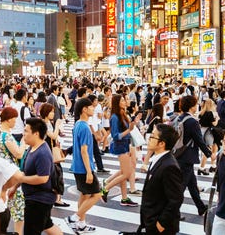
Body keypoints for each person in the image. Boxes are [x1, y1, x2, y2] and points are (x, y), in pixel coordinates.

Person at [119, 123, 184, 235]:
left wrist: (161, 224)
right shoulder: (158, 159)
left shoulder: (170, 166)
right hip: (150, 221)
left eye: (153, 136)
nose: (149, 138)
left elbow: (176, 199)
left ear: (162, 143)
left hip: (160, 226)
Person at [15, 117, 61, 235]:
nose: (23, 133)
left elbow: (43, 178)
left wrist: (21, 179)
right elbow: (27, 171)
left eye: (26, 131)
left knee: (31, 231)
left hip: (39, 200)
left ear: (36, 133)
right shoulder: (32, 147)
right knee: (47, 225)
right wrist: (15, 187)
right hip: (35, 198)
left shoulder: (43, 153)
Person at [175, 95, 212, 217]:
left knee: (192, 183)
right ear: (192, 107)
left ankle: (201, 207)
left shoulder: (179, 118)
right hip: (187, 156)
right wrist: (208, 153)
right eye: (195, 104)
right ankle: (173, 212)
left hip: (179, 153)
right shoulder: (192, 121)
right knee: (181, 186)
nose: (197, 107)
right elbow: (199, 139)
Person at [101, 93, 142, 206]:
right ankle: (106, 188)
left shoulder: (122, 113)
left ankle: (124, 198)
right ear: (117, 103)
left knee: (124, 172)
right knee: (127, 173)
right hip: (120, 146)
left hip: (125, 144)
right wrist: (129, 130)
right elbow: (115, 136)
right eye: (123, 100)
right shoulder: (114, 117)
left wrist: (135, 122)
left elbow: (128, 128)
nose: (125, 101)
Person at [67, 97, 100, 232]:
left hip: (77, 166)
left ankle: (81, 223)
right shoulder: (85, 127)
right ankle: (74, 218)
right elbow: (84, 151)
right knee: (97, 194)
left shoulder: (78, 124)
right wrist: (89, 171)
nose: (93, 108)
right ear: (84, 109)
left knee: (85, 195)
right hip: (84, 167)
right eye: (91, 107)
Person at [0, 107, 26, 234]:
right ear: (8, 119)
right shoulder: (7, 136)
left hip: (0, 174)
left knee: (2, 207)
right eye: (14, 119)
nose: (15, 122)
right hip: (11, 174)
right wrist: (23, 143)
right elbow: (18, 154)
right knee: (18, 208)